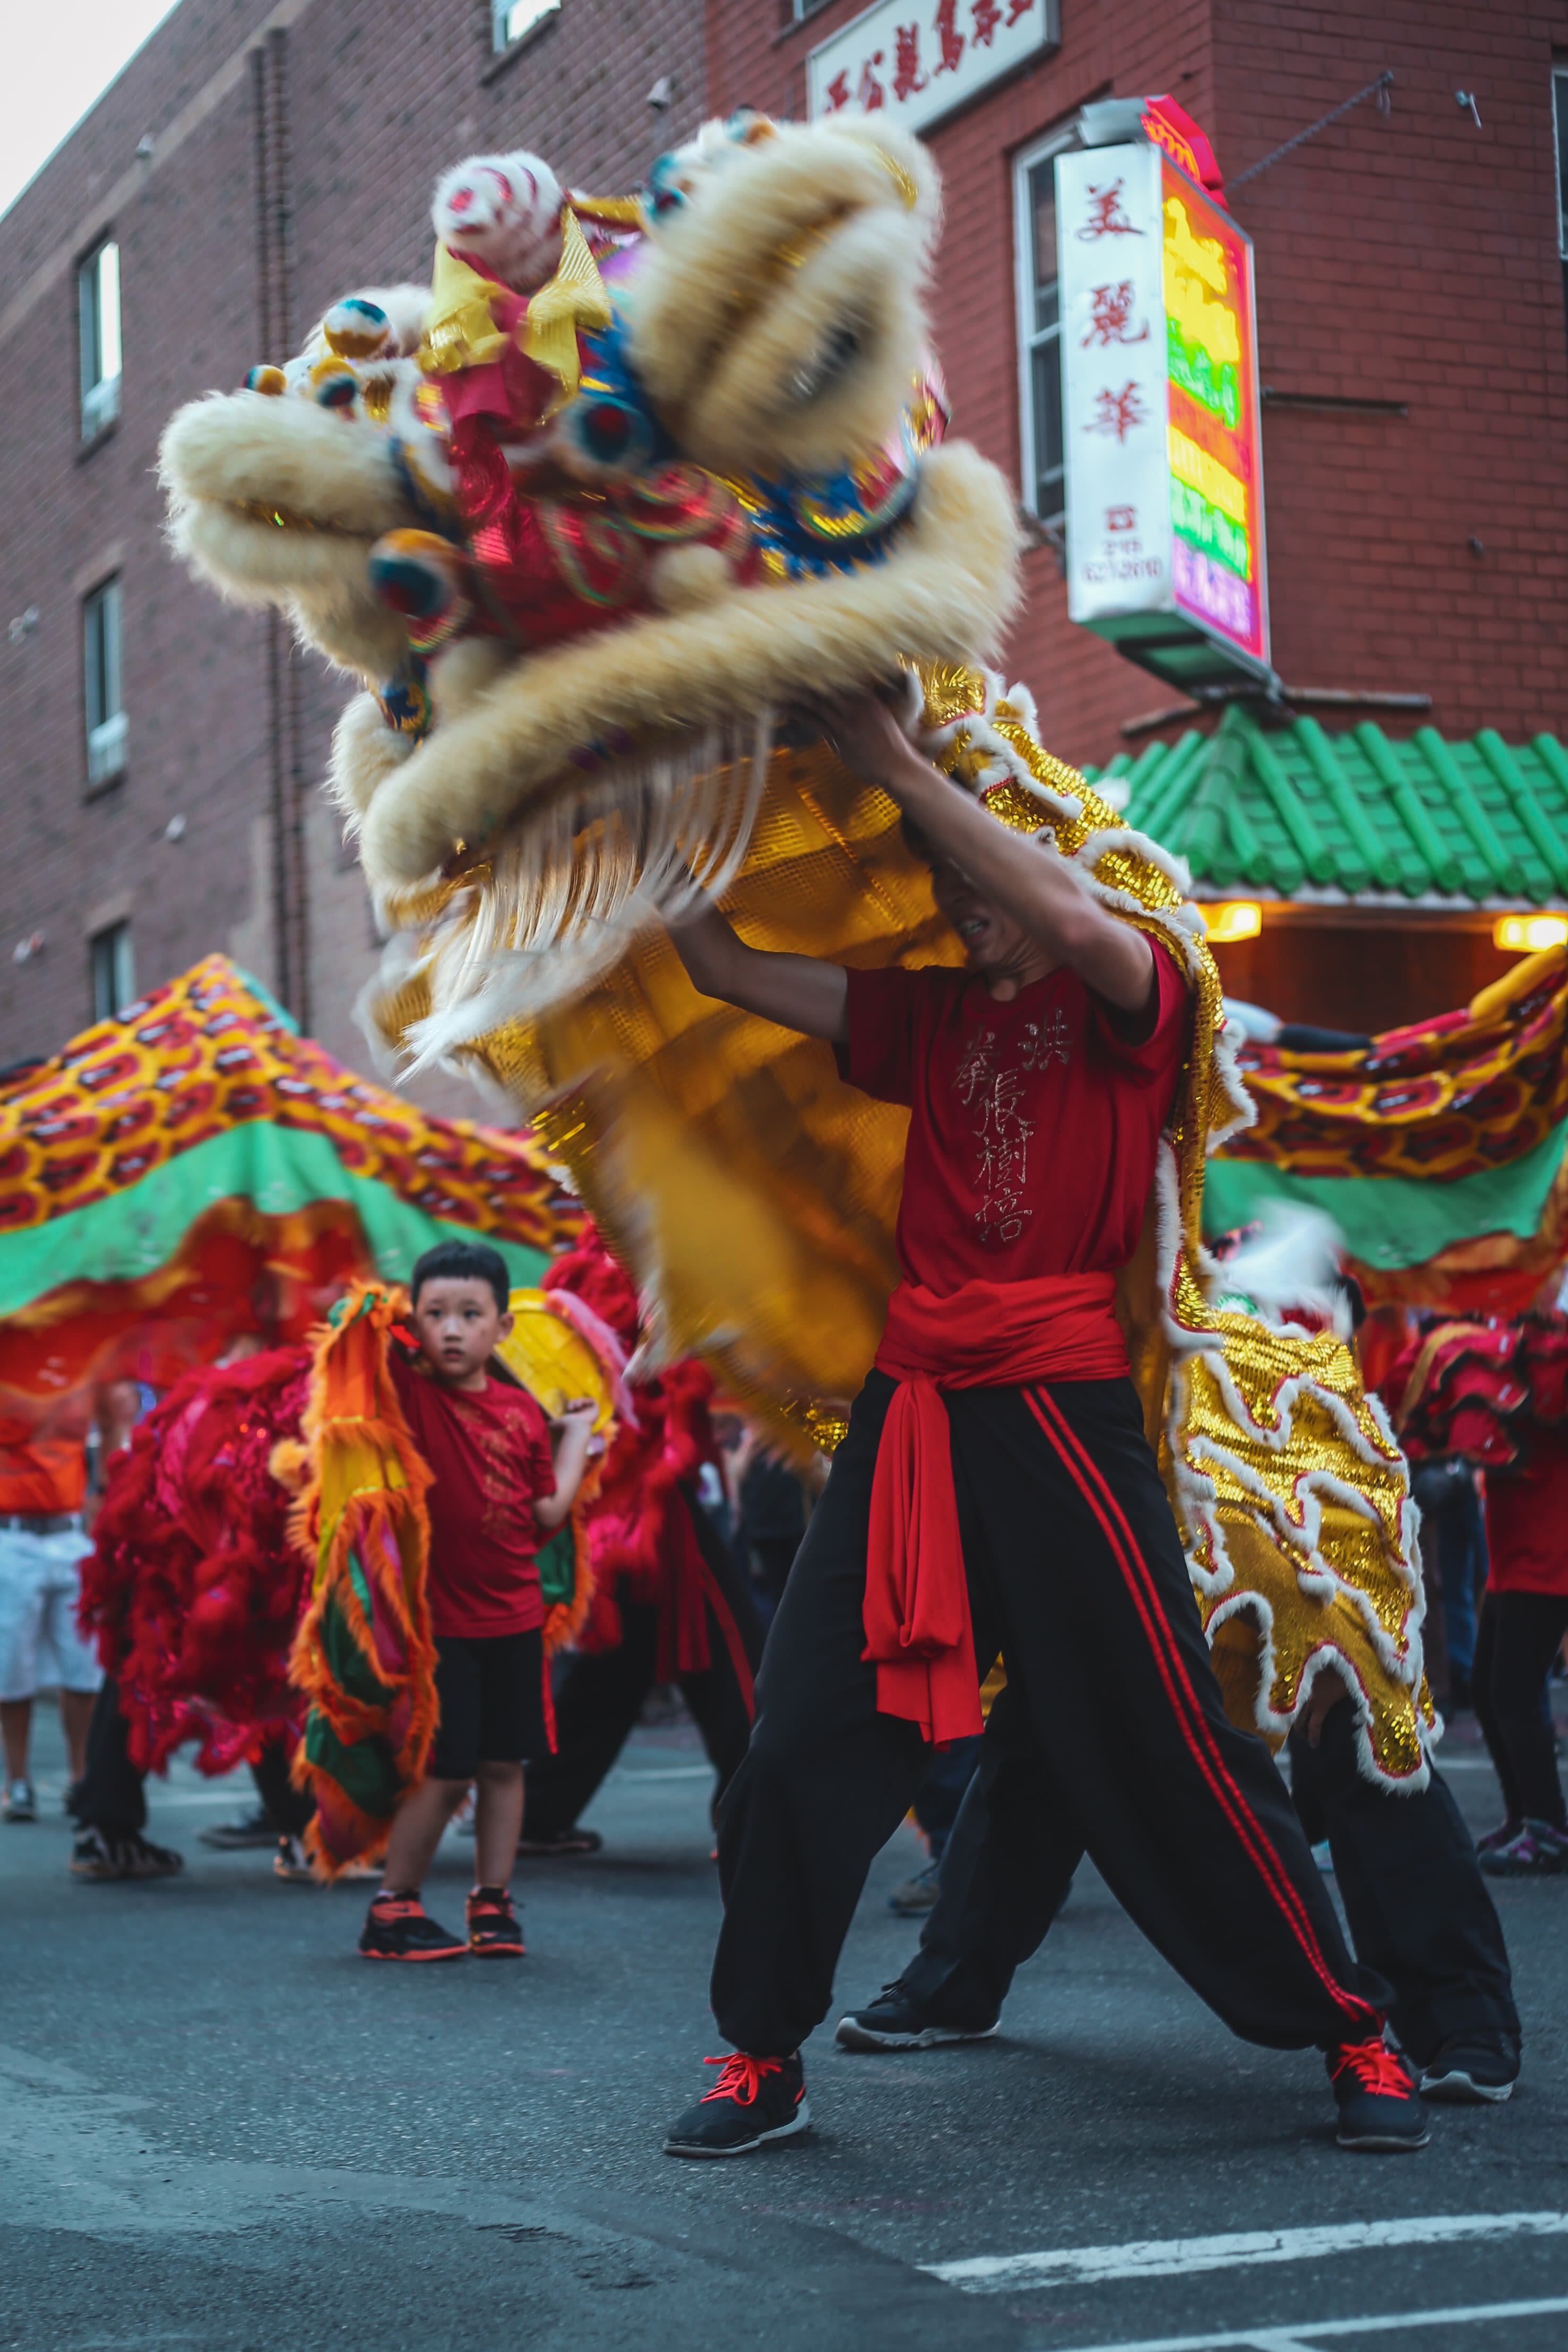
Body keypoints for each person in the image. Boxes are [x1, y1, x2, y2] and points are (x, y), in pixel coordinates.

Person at [659, 690, 1427, 2159]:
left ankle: (1349, 2025)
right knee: (800, 1734)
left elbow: (1072, 922)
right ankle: (761, 2049)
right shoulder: (928, 1011)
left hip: (1062, 1403)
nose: (973, 906)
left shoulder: (1136, 995)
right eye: (953, 890)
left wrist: (892, 759)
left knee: (1162, 1736)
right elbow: (724, 964)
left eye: (989, 877)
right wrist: (655, 799)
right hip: (917, 1410)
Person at [841, 1675, 1520, 2104]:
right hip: (1120, 1458)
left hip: (1281, 1460)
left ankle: (1457, 2005)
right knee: (1057, 1688)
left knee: (1351, 1684)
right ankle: (957, 1975)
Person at [357, 1240, 596, 1960]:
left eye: (470, 1313)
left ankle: (492, 1900)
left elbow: (546, 1512)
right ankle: (391, 1905)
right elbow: (364, 1338)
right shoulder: (411, 1396)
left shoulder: (522, 1414)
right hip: (443, 1625)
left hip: (516, 1619)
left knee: (504, 1762)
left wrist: (576, 1433)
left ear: (502, 1326)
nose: (452, 1329)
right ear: (415, 1324)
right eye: (435, 1314)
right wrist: (389, 1315)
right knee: (450, 1763)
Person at [1, 1380, 133, 1826]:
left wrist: (107, 1491)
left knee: (85, 1665)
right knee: (10, 1667)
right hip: (11, 1535)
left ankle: (83, 1776)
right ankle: (17, 1780)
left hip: (71, 1534)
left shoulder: (83, 1369)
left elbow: (113, 1422)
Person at [1472, 1429, 1568, 1876]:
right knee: (1487, 1690)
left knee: (1512, 1692)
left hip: (1548, 1551)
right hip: (1512, 1551)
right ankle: (1525, 1816)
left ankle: (1548, 1828)